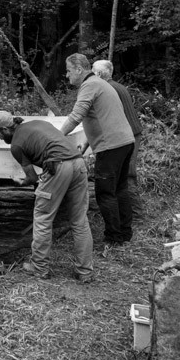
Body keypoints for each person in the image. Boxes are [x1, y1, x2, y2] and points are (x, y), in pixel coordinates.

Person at [0, 110, 94, 282]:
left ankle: (39, 267)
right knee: (80, 220)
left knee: (43, 217)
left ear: (5, 129)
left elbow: (32, 178)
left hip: (57, 167)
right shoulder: (39, 123)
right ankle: (85, 271)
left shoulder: (17, 145)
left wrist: (21, 182)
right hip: (78, 163)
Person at [60, 53, 135, 248]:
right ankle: (125, 233)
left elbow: (76, 115)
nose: (67, 76)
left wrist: (56, 137)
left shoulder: (90, 85)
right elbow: (98, 116)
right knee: (120, 189)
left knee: (105, 193)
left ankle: (114, 238)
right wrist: (86, 143)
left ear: (78, 69)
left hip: (111, 146)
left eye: (68, 71)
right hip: (124, 142)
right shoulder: (100, 84)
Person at [93, 59, 144, 220]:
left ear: (100, 74)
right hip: (131, 132)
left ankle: (135, 214)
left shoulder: (108, 89)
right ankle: (127, 212)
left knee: (127, 173)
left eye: (93, 72)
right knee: (124, 173)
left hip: (128, 134)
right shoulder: (117, 86)